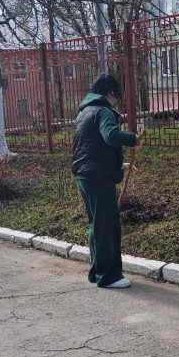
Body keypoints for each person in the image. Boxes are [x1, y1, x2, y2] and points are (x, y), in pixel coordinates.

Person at [71, 74, 139, 289]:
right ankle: (109, 277)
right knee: (108, 226)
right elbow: (110, 136)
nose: (115, 100)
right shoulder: (103, 111)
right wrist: (133, 138)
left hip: (85, 175)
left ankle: (97, 272)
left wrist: (120, 165)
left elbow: (92, 147)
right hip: (98, 178)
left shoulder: (84, 112)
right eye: (116, 96)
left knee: (97, 225)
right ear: (110, 93)